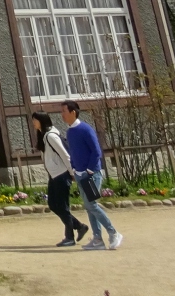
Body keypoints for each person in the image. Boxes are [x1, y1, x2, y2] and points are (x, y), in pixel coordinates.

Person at [60, 101, 122, 251]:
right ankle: (97, 239)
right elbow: (73, 152)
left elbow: (96, 151)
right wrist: (74, 169)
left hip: (91, 175)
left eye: (64, 111)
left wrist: (89, 170)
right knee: (89, 207)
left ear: (73, 112)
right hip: (79, 174)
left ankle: (113, 233)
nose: (62, 115)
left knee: (91, 205)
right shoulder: (70, 132)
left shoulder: (85, 129)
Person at [31, 111, 88, 247]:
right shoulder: (44, 135)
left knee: (62, 206)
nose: (33, 123)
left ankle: (70, 237)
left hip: (61, 174)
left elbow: (65, 154)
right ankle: (79, 226)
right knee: (53, 205)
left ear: (42, 121)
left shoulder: (51, 136)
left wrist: (72, 172)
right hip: (54, 175)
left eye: (35, 120)